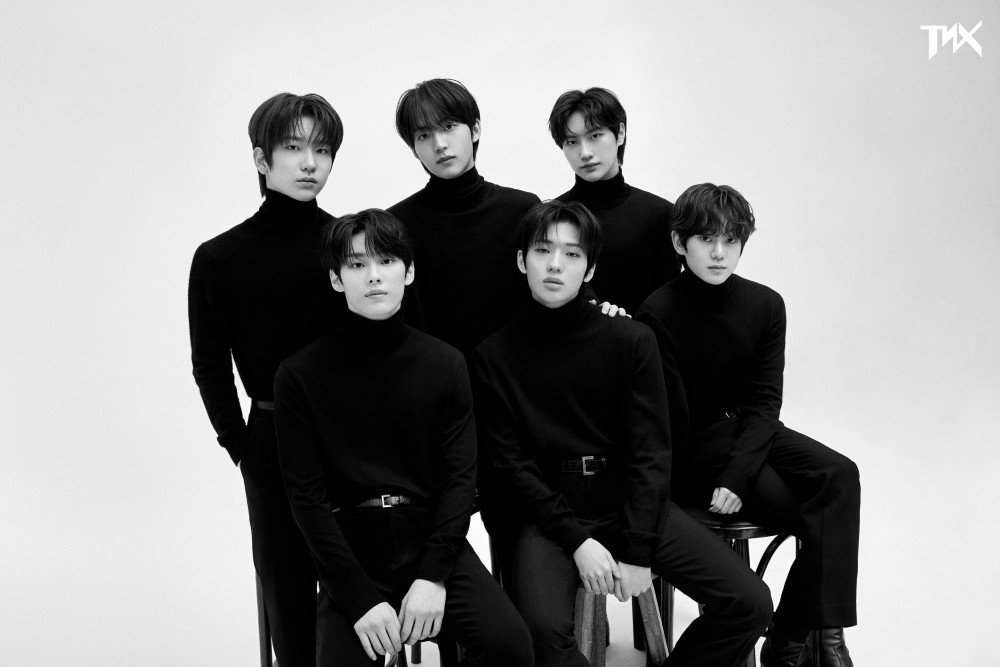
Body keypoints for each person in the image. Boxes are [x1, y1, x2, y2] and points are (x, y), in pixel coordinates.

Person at [472, 200, 772, 666]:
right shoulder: (494, 355)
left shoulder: (631, 339)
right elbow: (510, 465)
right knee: (539, 633)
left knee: (748, 602)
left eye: (572, 254)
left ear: (590, 268)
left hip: (627, 500)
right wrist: (577, 541)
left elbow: (651, 450)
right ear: (521, 260)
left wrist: (636, 550)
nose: (555, 264)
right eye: (543, 251)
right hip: (551, 513)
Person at [274, 209, 533, 666]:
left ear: (408, 272)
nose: (374, 275)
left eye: (387, 261)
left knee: (510, 645)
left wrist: (433, 577)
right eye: (357, 264)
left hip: (430, 538)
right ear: (336, 279)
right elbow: (306, 499)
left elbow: (460, 478)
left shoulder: (446, 363)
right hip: (353, 549)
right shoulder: (299, 376)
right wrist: (359, 598)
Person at [636, 184, 860, 667]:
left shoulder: (765, 304)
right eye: (706, 239)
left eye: (731, 240)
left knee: (841, 475)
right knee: (815, 514)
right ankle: (799, 645)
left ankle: (800, 638)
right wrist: (726, 477)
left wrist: (739, 474)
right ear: (679, 243)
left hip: (753, 430)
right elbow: (673, 421)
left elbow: (764, 401)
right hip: (697, 445)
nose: (719, 253)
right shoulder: (657, 312)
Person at [188, 92, 344, 665]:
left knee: (360, 586)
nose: (310, 163)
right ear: (261, 159)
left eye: (322, 150)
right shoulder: (220, 258)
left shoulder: (351, 245)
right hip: (271, 438)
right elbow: (210, 364)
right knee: (287, 593)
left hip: (351, 437)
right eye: (295, 148)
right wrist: (241, 444)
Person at [549, 87, 679, 314]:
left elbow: (669, 306)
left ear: (620, 133)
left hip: (641, 335)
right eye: (572, 142)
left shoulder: (659, 214)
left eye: (595, 136)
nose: (585, 152)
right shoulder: (552, 215)